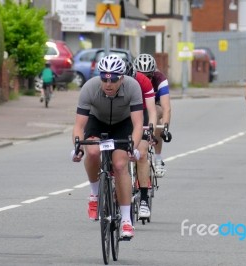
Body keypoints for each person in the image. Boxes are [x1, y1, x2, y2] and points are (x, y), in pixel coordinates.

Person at [71, 55, 143, 239]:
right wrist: (78, 147)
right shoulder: (89, 88)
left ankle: (126, 220)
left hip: (123, 123)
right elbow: (79, 126)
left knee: (120, 165)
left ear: (122, 78)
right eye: (104, 78)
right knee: (93, 152)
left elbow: (137, 125)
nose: (108, 83)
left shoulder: (133, 87)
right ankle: (95, 194)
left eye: (113, 79)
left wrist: (132, 148)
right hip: (98, 121)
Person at [124, 58, 157, 219]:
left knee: (142, 153)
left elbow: (152, 110)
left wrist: (150, 129)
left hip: (139, 113)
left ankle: (143, 200)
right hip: (120, 115)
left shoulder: (143, 81)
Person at [133, 54, 172, 178]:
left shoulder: (160, 79)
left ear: (153, 73)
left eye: (149, 75)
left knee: (155, 117)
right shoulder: (132, 79)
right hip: (137, 105)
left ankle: (158, 158)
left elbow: (166, 107)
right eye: (141, 75)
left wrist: (165, 129)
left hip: (154, 105)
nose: (145, 78)